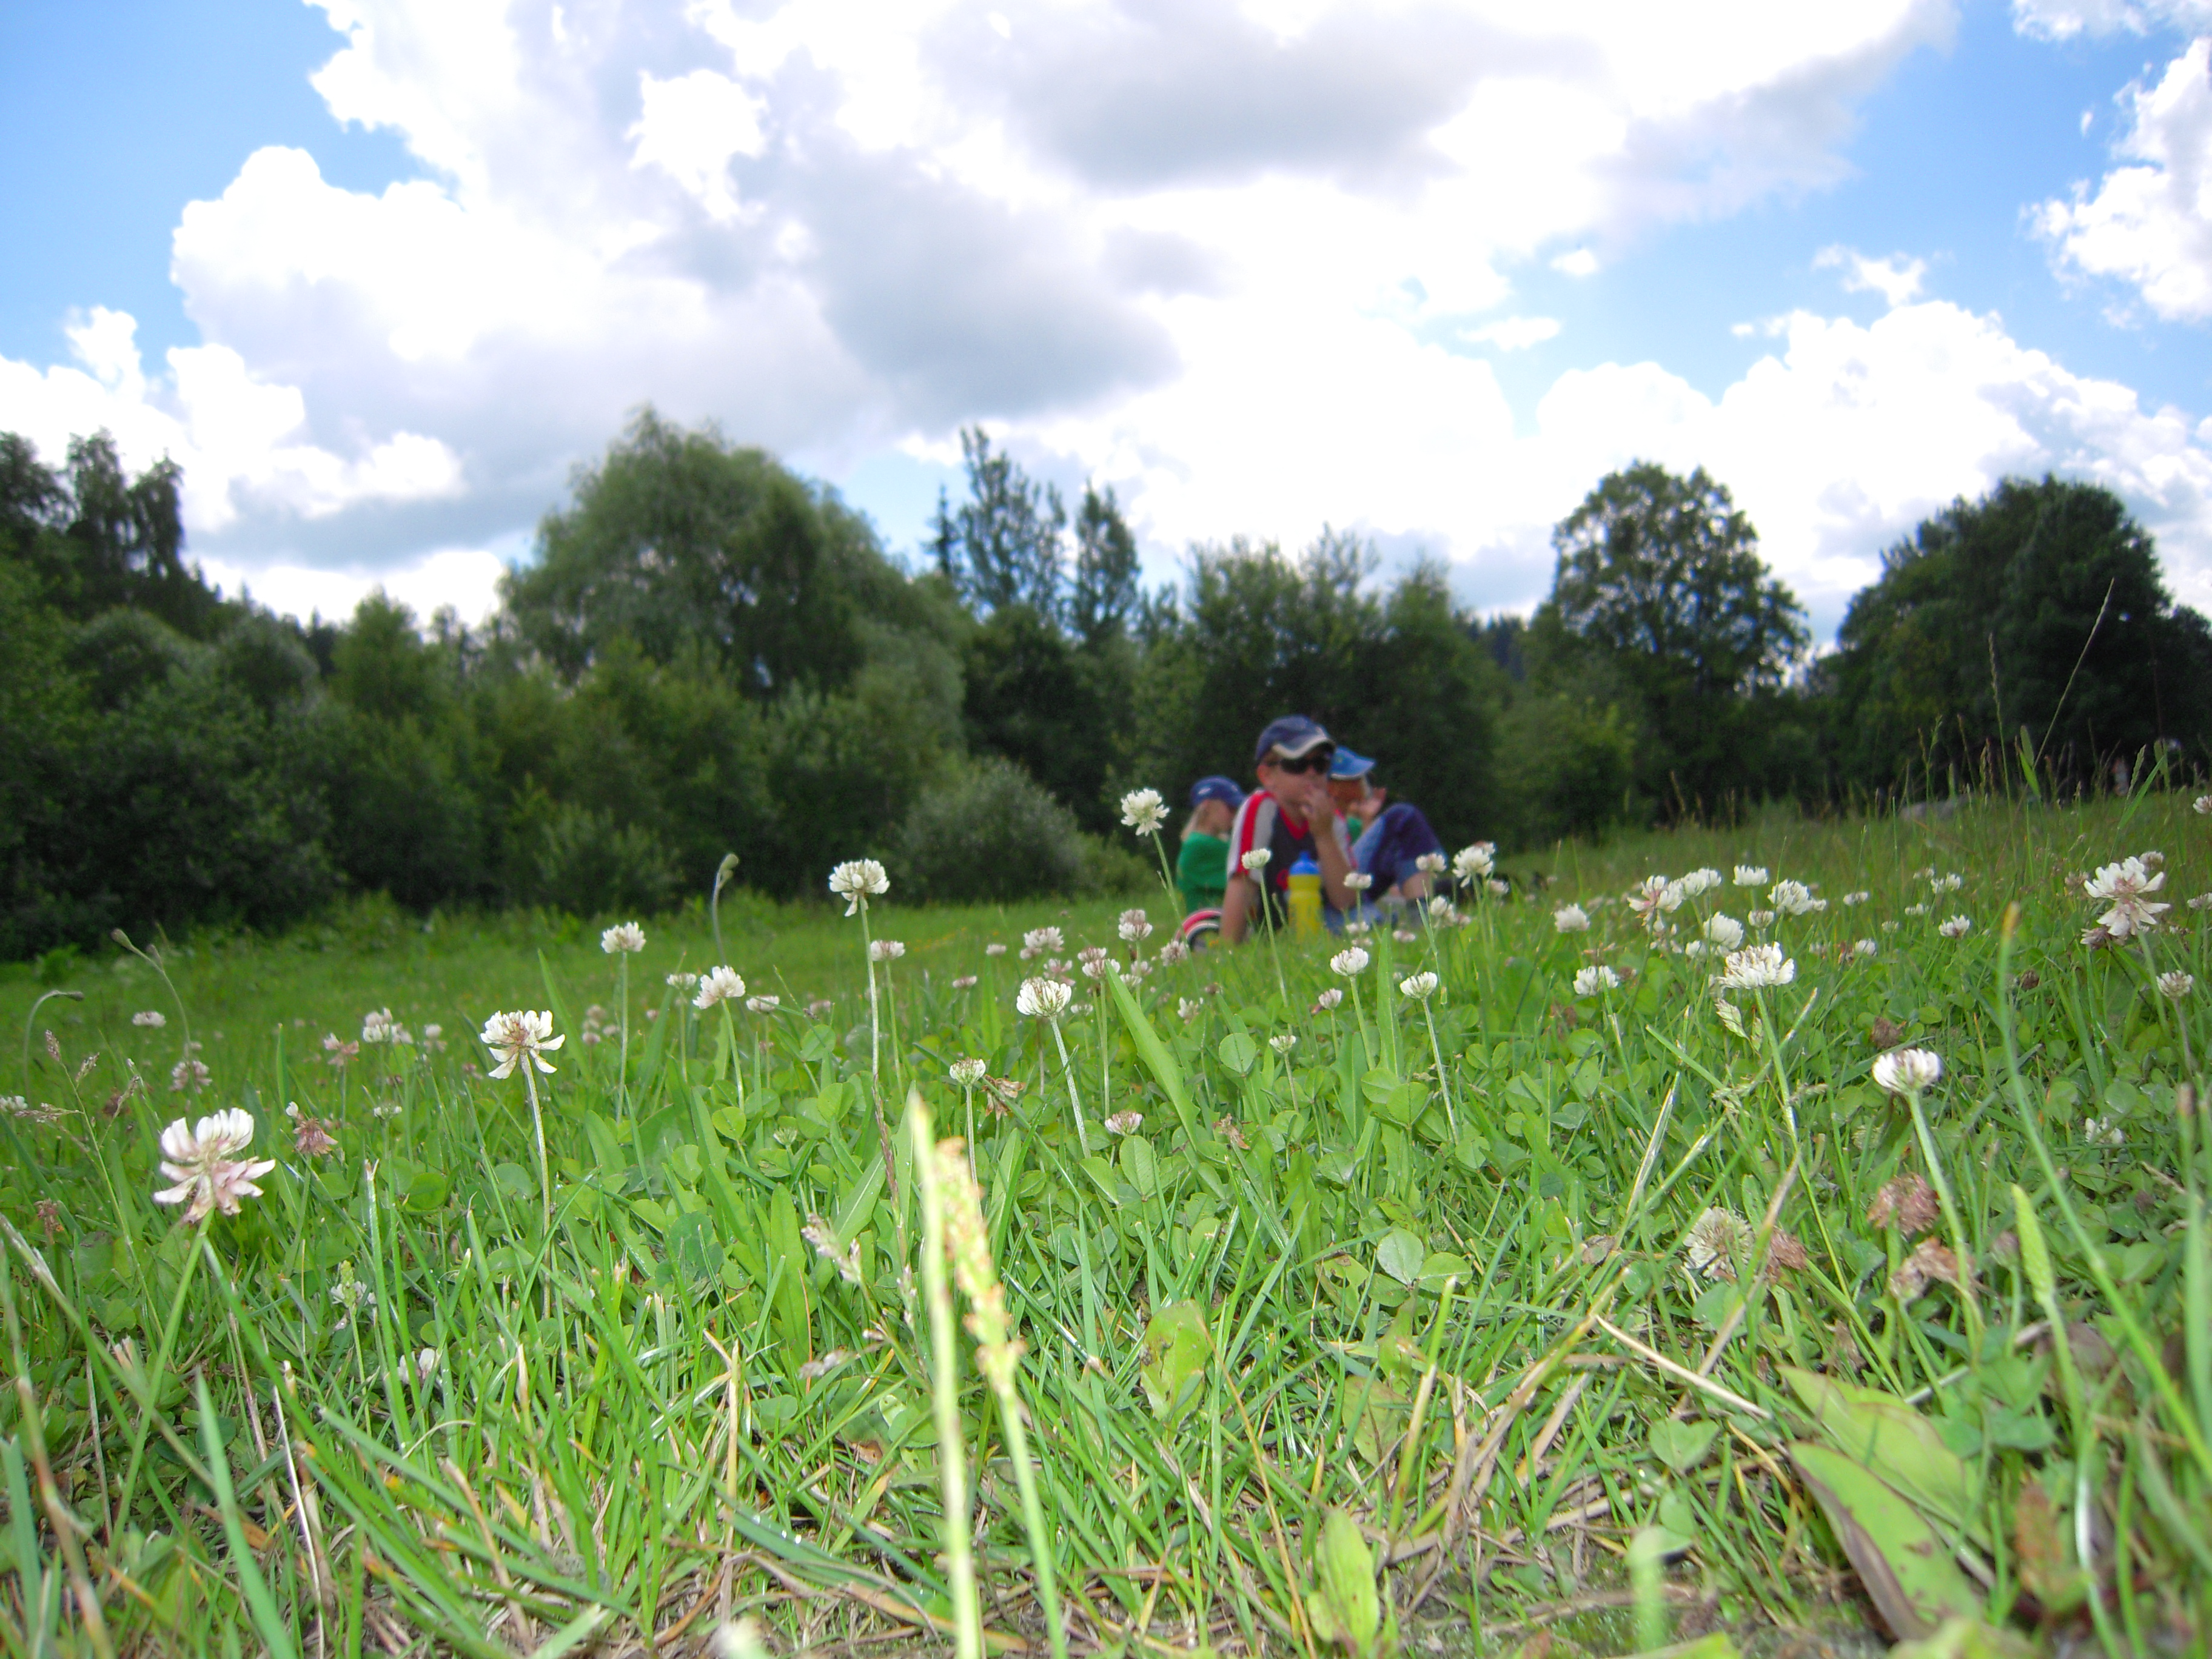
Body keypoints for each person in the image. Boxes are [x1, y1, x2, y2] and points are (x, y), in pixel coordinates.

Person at [1219, 716, 1356, 945]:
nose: (1312, 773)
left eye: (1320, 764)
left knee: (1369, 918)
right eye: (1297, 764)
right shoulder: (1261, 808)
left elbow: (1346, 902)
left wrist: (1324, 835)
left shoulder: (1332, 818)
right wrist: (1227, 950)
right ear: (1267, 776)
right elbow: (1243, 884)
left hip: (1324, 925)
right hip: (1274, 928)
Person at [1329, 746, 1446, 904]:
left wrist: (1367, 819)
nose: (1363, 785)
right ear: (1334, 787)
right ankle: (1423, 908)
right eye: (1356, 780)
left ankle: (1423, 907)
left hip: (1350, 882)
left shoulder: (1346, 821)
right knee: (1403, 816)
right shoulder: (1329, 821)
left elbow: (1363, 857)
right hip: (1337, 888)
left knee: (1403, 825)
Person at [1176, 776, 1243, 914]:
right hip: (1208, 923)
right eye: (1231, 808)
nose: (1235, 815)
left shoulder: (1195, 841)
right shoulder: (1200, 844)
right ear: (1207, 805)